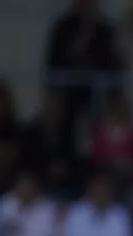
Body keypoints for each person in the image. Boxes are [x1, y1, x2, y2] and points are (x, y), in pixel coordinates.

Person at [43, 0, 121, 138]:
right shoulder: (62, 28)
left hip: (98, 96)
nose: (86, 4)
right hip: (67, 95)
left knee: (100, 131)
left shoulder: (105, 30)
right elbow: (52, 65)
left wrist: (114, 100)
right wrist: (53, 97)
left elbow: (114, 66)